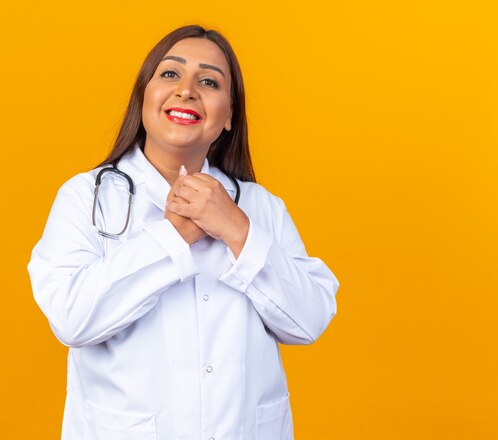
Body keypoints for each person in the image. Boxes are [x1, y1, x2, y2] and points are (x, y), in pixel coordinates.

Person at [27, 24, 340, 440]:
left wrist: (236, 229)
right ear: (144, 96)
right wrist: (174, 235)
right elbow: (72, 319)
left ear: (229, 116)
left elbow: (310, 319)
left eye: (209, 81)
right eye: (170, 74)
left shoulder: (260, 208)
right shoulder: (86, 196)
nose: (187, 90)